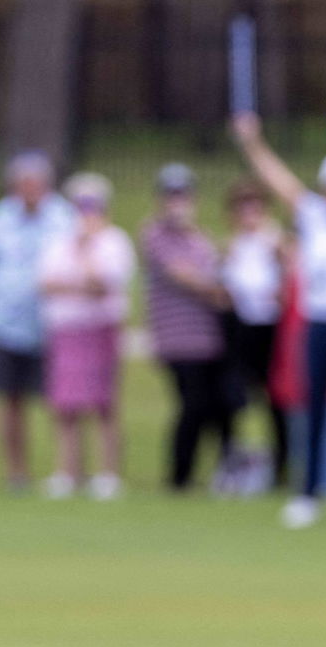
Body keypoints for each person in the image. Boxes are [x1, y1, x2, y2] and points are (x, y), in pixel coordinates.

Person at [231, 111, 326, 530]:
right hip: (319, 327)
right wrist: (252, 142)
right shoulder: (313, 218)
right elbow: (277, 180)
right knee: (313, 409)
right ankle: (308, 493)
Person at [0, 151, 75, 491]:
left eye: (36, 184)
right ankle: (17, 473)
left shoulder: (64, 219)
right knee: (10, 401)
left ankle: (66, 470)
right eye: (24, 184)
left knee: (62, 400)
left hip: (54, 325)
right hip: (5, 325)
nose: (30, 190)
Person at [37, 172, 135, 499]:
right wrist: (79, 281)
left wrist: (87, 249)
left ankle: (108, 474)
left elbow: (102, 284)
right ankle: (68, 472)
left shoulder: (114, 241)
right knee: (65, 404)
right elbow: (47, 284)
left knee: (104, 402)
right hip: (66, 328)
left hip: (100, 328)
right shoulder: (58, 240)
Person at [140, 162, 234, 492]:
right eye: (172, 195)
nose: (177, 202)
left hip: (208, 337)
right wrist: (217, 290)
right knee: (193, 405)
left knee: (214, 406)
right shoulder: (154, 234)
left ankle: (216, 470)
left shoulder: (199, 237)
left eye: (182, 194)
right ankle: (180, 475)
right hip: (178, 339)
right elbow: (184, 275)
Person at [220, 178, 290, 488]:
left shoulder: (274, 241)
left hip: (271, 329)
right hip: (241, 329)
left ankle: (280, 465)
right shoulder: (232, 247)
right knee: (235, 399)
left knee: (276, 400)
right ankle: (237, 462)